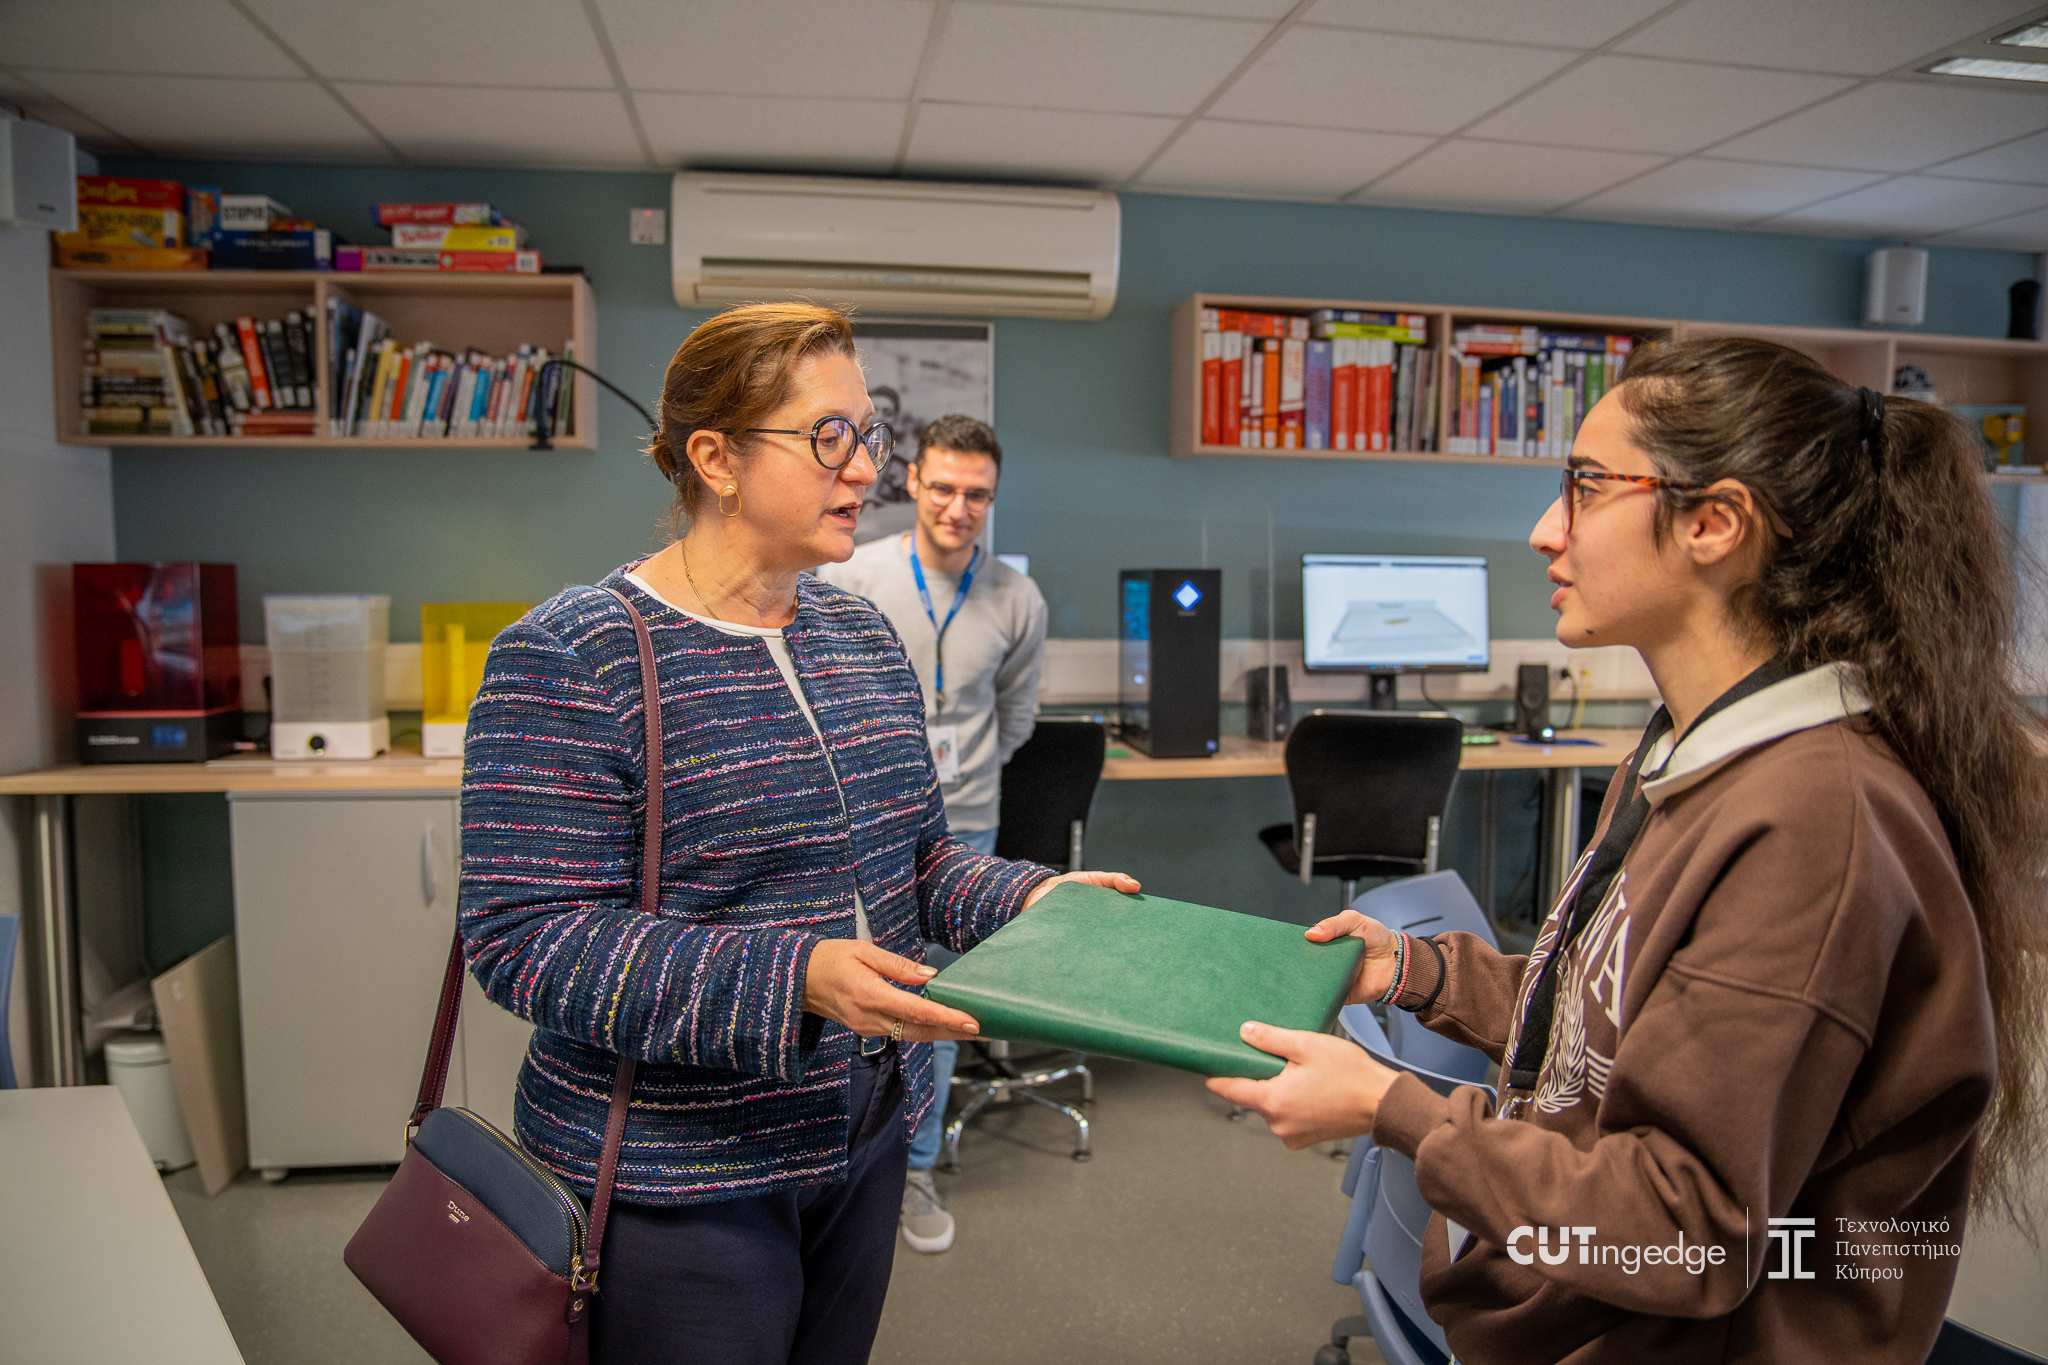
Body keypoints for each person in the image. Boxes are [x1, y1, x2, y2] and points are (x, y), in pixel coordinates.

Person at [1212, 335, 2047, 1364]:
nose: (1542, 530)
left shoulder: (1813, 823)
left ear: (1712, 523)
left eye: (1585, 486)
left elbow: (1684, 1232)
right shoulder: (1685, 750)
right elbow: (1606, 1029)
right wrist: (1415, 971)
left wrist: (1395, 1108)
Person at [458, 301, 1138, 1364]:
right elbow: (525, 939)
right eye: (829, 437)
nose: (864, 468)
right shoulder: (575, 655)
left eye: (867, 435)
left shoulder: (859, 635)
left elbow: (919, 861)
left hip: (863, 1131)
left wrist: (1030, 899)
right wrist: (797, 978)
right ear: (715, 458)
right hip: (681, 1175)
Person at [818, 414, 1048, 1254]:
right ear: (912, 480)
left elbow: (1015, 713)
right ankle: (833, 1161)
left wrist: (959, 776)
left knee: (939, 991)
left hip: (967, 818)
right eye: (943, 487)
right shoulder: (855, 574)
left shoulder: (1017, 598)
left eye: (977, 494)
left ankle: (914, 1166)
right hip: (863, 816)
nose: (958, 507)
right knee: (845, 978)